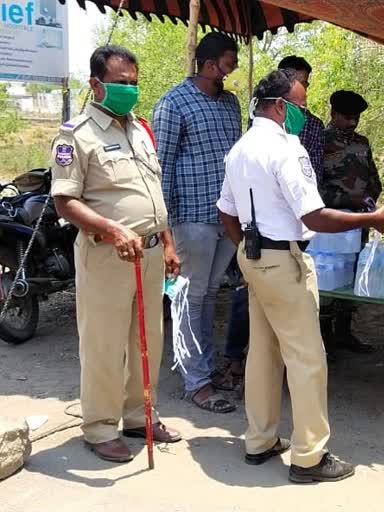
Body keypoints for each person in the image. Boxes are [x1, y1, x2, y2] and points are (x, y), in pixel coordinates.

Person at [217, 69, 384, 483]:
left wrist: (245, 250)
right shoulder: (286, 148)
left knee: (262, 352)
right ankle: (309, 457)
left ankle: (259, 440)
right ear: (280, 106)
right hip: (284, 260)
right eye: (300, 106)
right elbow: (314, 215)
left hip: (254, 257)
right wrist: (370, 217)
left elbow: (225, 210)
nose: (304, 113)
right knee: (307, 358)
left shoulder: (240, 148)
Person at [51, 45, 182, 463]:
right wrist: (111, 228)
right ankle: (100, 426)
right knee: (104, 344)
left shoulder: (140, 130)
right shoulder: (77, 135)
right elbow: (64, 201)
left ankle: (140, 415)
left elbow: (152, 193)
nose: (130, 90)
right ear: (95, 85)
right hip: (107, 254)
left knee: (148, 341)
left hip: (149, 254)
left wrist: (167, 242)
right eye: (120, 83)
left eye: (134, 83)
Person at [153, 32, 241, 414]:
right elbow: (162, 167)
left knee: (208, 295)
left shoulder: (230, 103)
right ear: (209, 64)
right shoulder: (173, 104)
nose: (233, 67)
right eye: (229, 61)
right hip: (191, 216)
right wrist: (165, 229)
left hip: (226, 217)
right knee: (190, 296)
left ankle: (203, 368)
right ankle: (196, 382)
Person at [321, 90, 382, 355]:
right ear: (333, 114)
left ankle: (345, 332)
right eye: (347, 117)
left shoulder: (362, 143)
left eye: (356, 118)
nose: (352, 123)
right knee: (328, 279)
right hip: (328, 224)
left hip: (358, 221)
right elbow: (314, 187)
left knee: (353, 276)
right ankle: (324, 338)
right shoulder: (319, 142)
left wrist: (368, 199)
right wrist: (347, 198)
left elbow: (373, 179)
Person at [278, 56, 325, 186]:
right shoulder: (261, 116)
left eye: (305, 84)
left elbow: (315, 174)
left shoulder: (314, 125)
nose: (304, 88)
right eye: (300, 83)